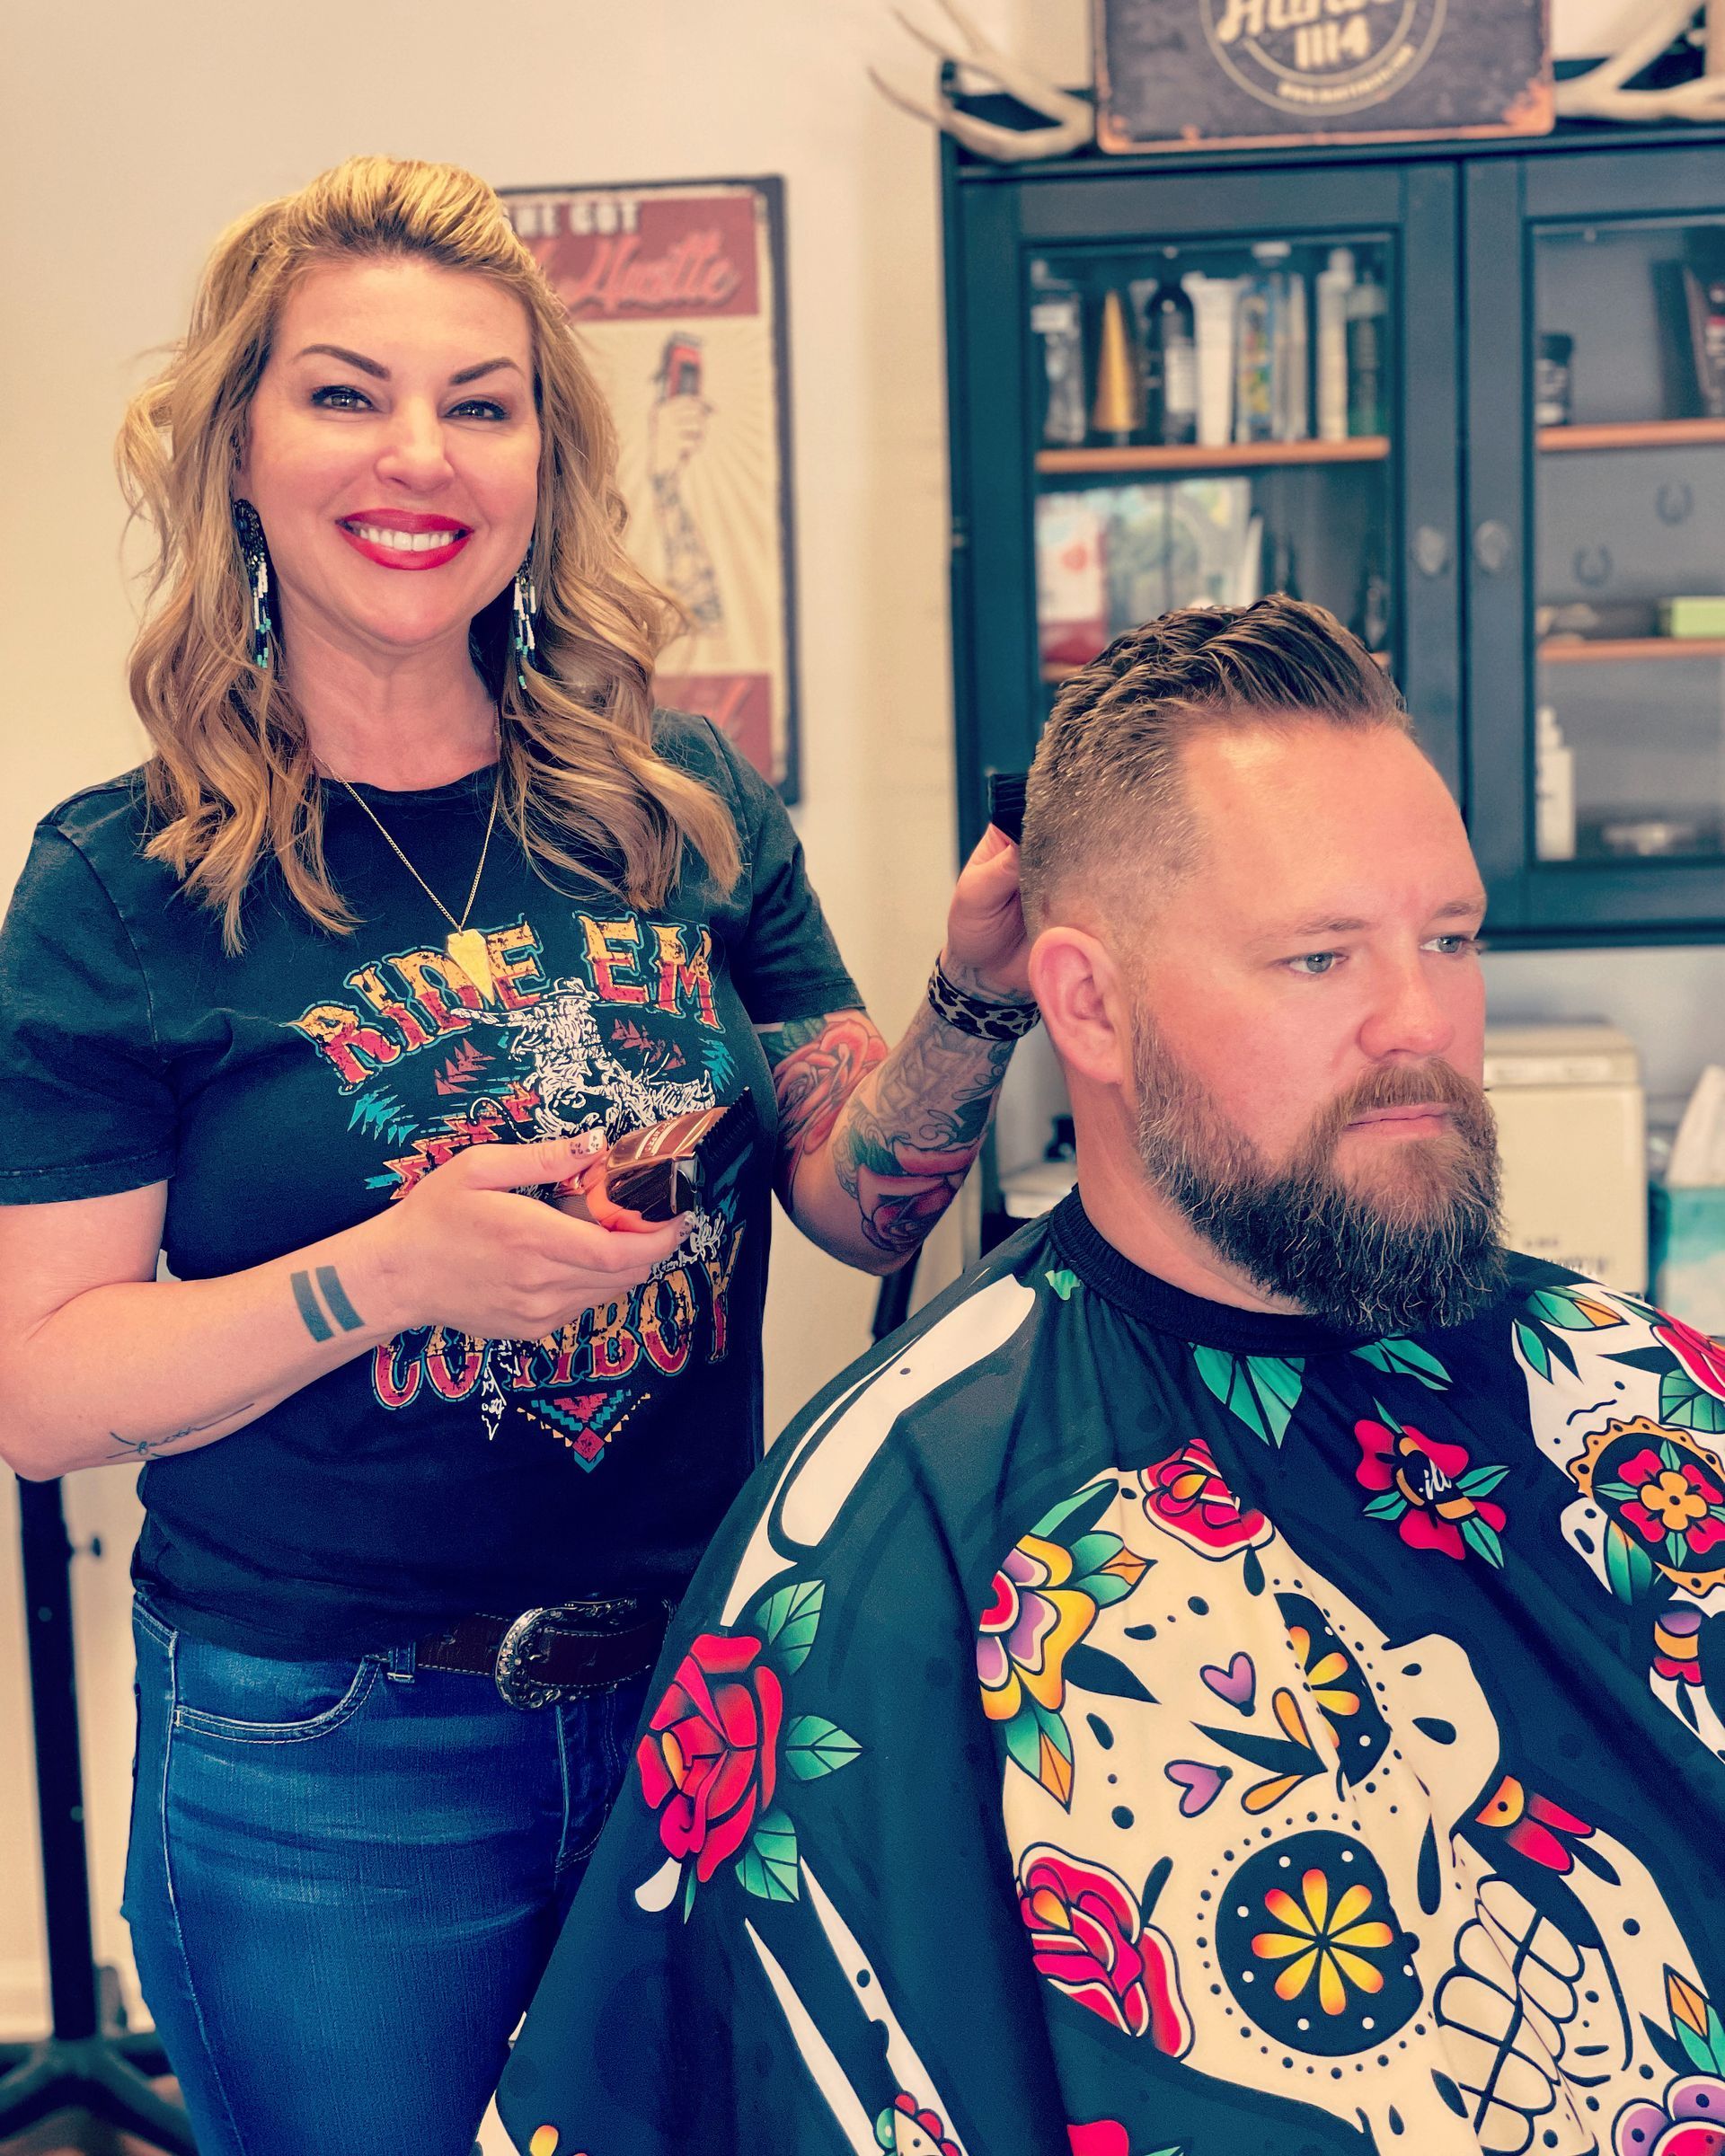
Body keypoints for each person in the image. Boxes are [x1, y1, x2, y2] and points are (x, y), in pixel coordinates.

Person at [0, 156, 1038, 2156]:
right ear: (239, 452)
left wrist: (973, 997)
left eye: (482, 404)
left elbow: (857, 1197)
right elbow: (39, 1390)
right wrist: (386, 1273)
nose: (422, 454)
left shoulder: (681, 805)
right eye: (346, 393)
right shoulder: (124, 882)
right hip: (331, 1761)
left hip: (702, 1697)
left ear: (544, 466)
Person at [498, 595, 1725, 2156]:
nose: (1423, 1024)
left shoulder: (1644, 1395)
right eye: (1318, 956)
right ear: (1086, 1001)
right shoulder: (891, 1536)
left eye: (1451, 940)